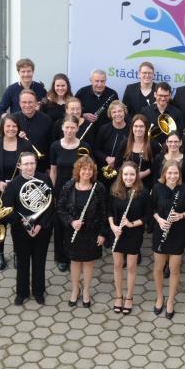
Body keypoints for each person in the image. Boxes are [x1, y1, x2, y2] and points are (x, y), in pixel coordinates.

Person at [2, 152, 55, 305]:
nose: (29, 167)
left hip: (41, 228)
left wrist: (39, 225)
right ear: (19, 166)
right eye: (26, 164)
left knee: (40, 261)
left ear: (36, 164)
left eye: (32, 163)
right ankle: (22, 292)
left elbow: (50, 205)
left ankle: (38, 291)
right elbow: (7, 209)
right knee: (23, 261)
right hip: (20, 230)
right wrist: (22, 222)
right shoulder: (13, 184)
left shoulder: (44, 179)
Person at [0, 114, 32, 270]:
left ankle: (18, 252)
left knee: (17, 223)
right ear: (2, 127)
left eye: (14, 126)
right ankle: (0, 253)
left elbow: (30, 168)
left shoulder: (25, 145)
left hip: (20, 192)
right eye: (8, 126)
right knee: (0, 223)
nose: (11, 129)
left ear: (18, 128)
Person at [57, 155, 107, 308]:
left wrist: (102, 233)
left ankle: (86, 291)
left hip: (92, 231)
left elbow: (104, 212)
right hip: (74, 231)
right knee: (75, 261)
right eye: (84, 169)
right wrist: (72, 222)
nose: (87, 172)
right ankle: (74, 290)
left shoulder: (98, 188)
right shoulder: (69, 186)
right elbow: (60, 208)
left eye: (90, 169)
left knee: (88, 262)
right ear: (78, 171)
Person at [49, 115, 92, 272]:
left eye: (72, 127)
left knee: (76, 222)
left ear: (77, 128)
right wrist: (52, 193)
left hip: (78, 189)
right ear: (62, 128)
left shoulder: (84, 146)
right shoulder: (55, 146)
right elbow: (53, 171)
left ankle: (75, 254)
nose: (69, 130)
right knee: (60, 224)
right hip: (60, 189)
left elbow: (88, 171)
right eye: (66, 127)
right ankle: (61, 257)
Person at [150, 161, 185, 319]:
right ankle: (160, 297)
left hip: (178, 233)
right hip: (160, 232)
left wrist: (181, 215)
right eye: (170, 173)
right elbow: (151, 209)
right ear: (164, 174)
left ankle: (170, 301)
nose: (173, 176)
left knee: (174, 269)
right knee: (159, 268)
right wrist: (159, 220)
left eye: (176, 173)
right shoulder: (157, 188)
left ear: (179, 174)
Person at [109, 161, 149, 315]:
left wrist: (132, 224)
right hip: (117, 232)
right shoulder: (114, 190)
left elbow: (147, 217)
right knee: (117, 265)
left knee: (131, 267)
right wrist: (113, 226)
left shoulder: (142, 192)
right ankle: (118, 296)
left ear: (136, 175)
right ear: (121, 175)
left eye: (132, 174)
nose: (128, 177)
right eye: (125, 174)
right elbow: (109, 212)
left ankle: (129, 297)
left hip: (134, 233)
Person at [13, 90, 53, 172]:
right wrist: (16, 137)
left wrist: (49, 167)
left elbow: (51, 144)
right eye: (24, 102)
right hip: (17, 166)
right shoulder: (13, 119)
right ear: (19, 103)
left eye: (30, 102)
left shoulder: (46, 119)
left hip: (41, 167)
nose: (27, 105)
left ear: (36, 103)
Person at [93, 100, 129, 187]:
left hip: (124, 171)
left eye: (120, 111)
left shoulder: (131, 129)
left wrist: (119, 161)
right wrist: (106, 158)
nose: (117, 114)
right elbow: (95, 150)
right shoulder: (104, 129)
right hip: (105, 170)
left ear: (124, 112)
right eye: (114, 112)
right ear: (110, 114)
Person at [118, 114, 158, 192]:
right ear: (132, 128)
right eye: (135, 126)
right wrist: (127, 175)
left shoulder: (153, 144)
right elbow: (117, 165)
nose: (138, 129)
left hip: (145, 184)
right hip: (127, 184)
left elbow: (157, 164)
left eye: (141, 126)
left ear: (146, 128)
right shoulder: (124, 143)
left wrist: (145, 173)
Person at [75, 69, 119, 136]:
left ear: (105, 81)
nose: (99, 84)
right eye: (96, 81)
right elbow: (72, 112)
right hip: (86, 133)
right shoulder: (81, 92)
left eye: (102, 81)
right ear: (91, 81)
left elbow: (118, 112)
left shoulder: (112, 94)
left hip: (106, 133)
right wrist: (83, 115)